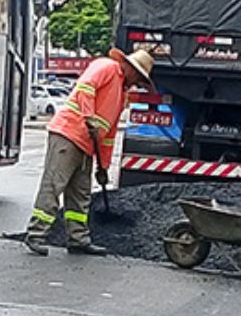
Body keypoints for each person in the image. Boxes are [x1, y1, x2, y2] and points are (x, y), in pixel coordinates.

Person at [24, 46, 155, 256]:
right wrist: (88, 117)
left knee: (80, 194)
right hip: (68, 134)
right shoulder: (107, 67)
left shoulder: (122, 95)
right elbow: (86, 87)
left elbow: (109, 135)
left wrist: (103, 167)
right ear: (130, 68)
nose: (137, 84)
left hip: (87, 145)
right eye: (138, 78)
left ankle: (78, 239)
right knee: (54, 184)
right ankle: (36, 234)